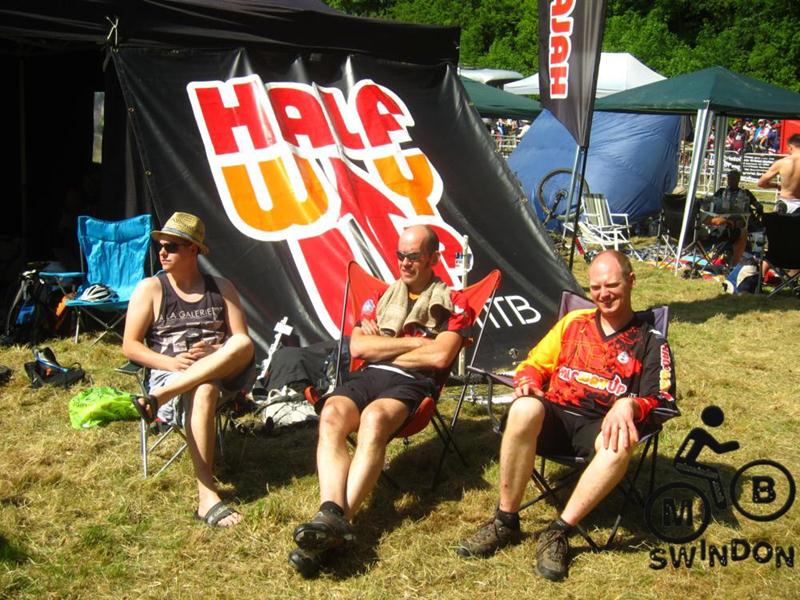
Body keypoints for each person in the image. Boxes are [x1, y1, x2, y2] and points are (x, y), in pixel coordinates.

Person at [456, 250, 677, 581]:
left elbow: (662, 399)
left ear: (631, 281)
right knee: (524, 408)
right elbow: (533, 364)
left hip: (600, 425)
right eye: (596, 287)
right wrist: (529, 381)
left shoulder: (650, 340)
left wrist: (629, 405)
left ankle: (558, 531)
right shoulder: (573, 323)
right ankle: (505, 520)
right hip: (557, 414)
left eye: (612, 285)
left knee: (619, 444)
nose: (604, 294)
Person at [289, 224, 472, 577]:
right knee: (332, 413)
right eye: (400, 255)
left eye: (413, 256)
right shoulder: (382, 297)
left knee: (373, 419)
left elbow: (439, 357)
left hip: (412, 384)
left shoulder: (454, 303)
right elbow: (359, 347)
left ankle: (333, 525)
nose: (404, 263)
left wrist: (384, 348)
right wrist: (417, 342)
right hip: (369, 376)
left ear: (433, 258)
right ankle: (330, 513)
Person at [123, 211, 254, 528]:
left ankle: (159, 398)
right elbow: (130, 346)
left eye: (172, 246)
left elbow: (241, 340)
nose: (162, 252)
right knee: (204, 389)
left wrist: (215, 352)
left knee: (242, 344)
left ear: (194, 250)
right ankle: (206, 495)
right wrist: (171, 363)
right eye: (161, 246)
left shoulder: (221, 287)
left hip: (218, 372)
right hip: (172, 372)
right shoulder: (151, 289)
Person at [703, 169, 763, 266]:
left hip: (744, 220)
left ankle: (757, 254)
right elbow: (710, 202)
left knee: (759, 230)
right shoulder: (721, 192)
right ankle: (721, 251)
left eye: (733, 179)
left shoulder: (746, 193)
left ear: (738, 180)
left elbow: (757, 204)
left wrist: (759, 207)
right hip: (724, 221)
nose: (731, 181)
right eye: (729, 178)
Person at [758, 133, 800, 214]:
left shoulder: (781, 163)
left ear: (790, 147)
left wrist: (777, 185)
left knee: (779, 222)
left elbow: (761, 183)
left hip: (784, 203)